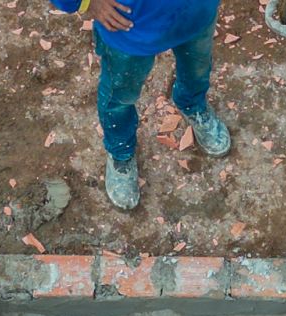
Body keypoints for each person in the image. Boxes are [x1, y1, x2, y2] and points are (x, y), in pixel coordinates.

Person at [48, 0, 231, 210]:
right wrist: (84, 3)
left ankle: (193, 104)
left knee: (197, 70)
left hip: (197, 12)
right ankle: (120, 150)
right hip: (129, 24)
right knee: (120, 97)